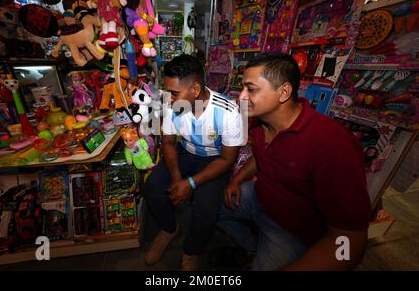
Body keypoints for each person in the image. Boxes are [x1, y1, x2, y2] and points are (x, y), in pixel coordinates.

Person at [218, 52, 371, 271]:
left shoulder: (333, 145)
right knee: (207, 206)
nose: (240, 97)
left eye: (250, 89)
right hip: (259, 198)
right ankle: (252, 247)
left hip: (291, 230)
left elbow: (351, 240)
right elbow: (262, 155)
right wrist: (236, 180)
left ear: (284, 92)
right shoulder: (259, 122)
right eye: (242, 88)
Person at [144, 54, 244, 270]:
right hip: (186, 153)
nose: (168, 98)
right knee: (153, 187)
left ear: (195, 90)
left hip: (215, 161)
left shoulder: (229, 112)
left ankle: (191, 250)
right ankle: (169, 228)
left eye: (174, 92)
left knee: (206, 209)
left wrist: (190, 184)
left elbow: (228, 159)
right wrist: (177, 178)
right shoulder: (172, 106)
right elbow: (169, 143)